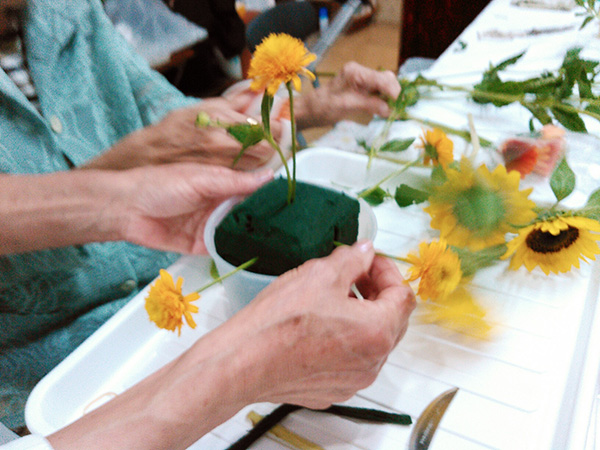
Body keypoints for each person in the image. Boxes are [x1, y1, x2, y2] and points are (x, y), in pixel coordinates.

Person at [0, 0, 407, 439]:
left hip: (186, 297)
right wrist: (131, 166)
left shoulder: (65, 10)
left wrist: (302, 107)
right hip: (62, 389)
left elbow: (167, 111)